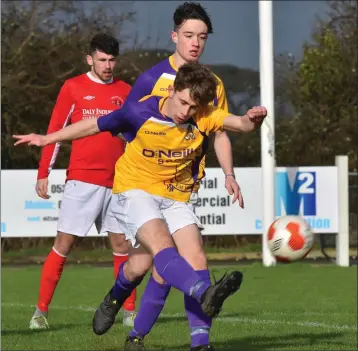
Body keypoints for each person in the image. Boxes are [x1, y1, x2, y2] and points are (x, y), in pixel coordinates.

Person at [13, 62, 267, 350]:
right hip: (135, 191)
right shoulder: (138, 111)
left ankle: (195, 341)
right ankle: (202, 293)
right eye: (182, 102)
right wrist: (47, 138)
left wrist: (252, 119)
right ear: (171, 90)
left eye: (193, 107)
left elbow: (239, 123)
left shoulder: (203, 115)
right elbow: (91, 126)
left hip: (175, 196)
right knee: (163, 250)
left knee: (183, 260)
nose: (185, 111)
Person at [124, 3, 244, 350]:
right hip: (142, 187)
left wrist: (229, 174)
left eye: (202, 37)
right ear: (174, 35)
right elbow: (127, 125)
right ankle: (124, 309)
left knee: (180, 264)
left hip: (180, 190)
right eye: (189, 35)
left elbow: (220, 131)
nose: (195, 43)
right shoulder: (151, 79)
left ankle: (189, 342)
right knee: (150, 265)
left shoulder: (211, 83)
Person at [28, 33, 137, 330]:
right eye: (102, 59)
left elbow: (135, 136)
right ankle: (40, 311)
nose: (107, 65)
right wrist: (43, 173)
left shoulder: (126, 91)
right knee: (64, 244)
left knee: (123, 245)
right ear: (90, 59)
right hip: (82, 180)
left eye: (112, 60)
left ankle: (129, 311)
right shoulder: (73, 87)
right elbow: (55, 130)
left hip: (119, 181)